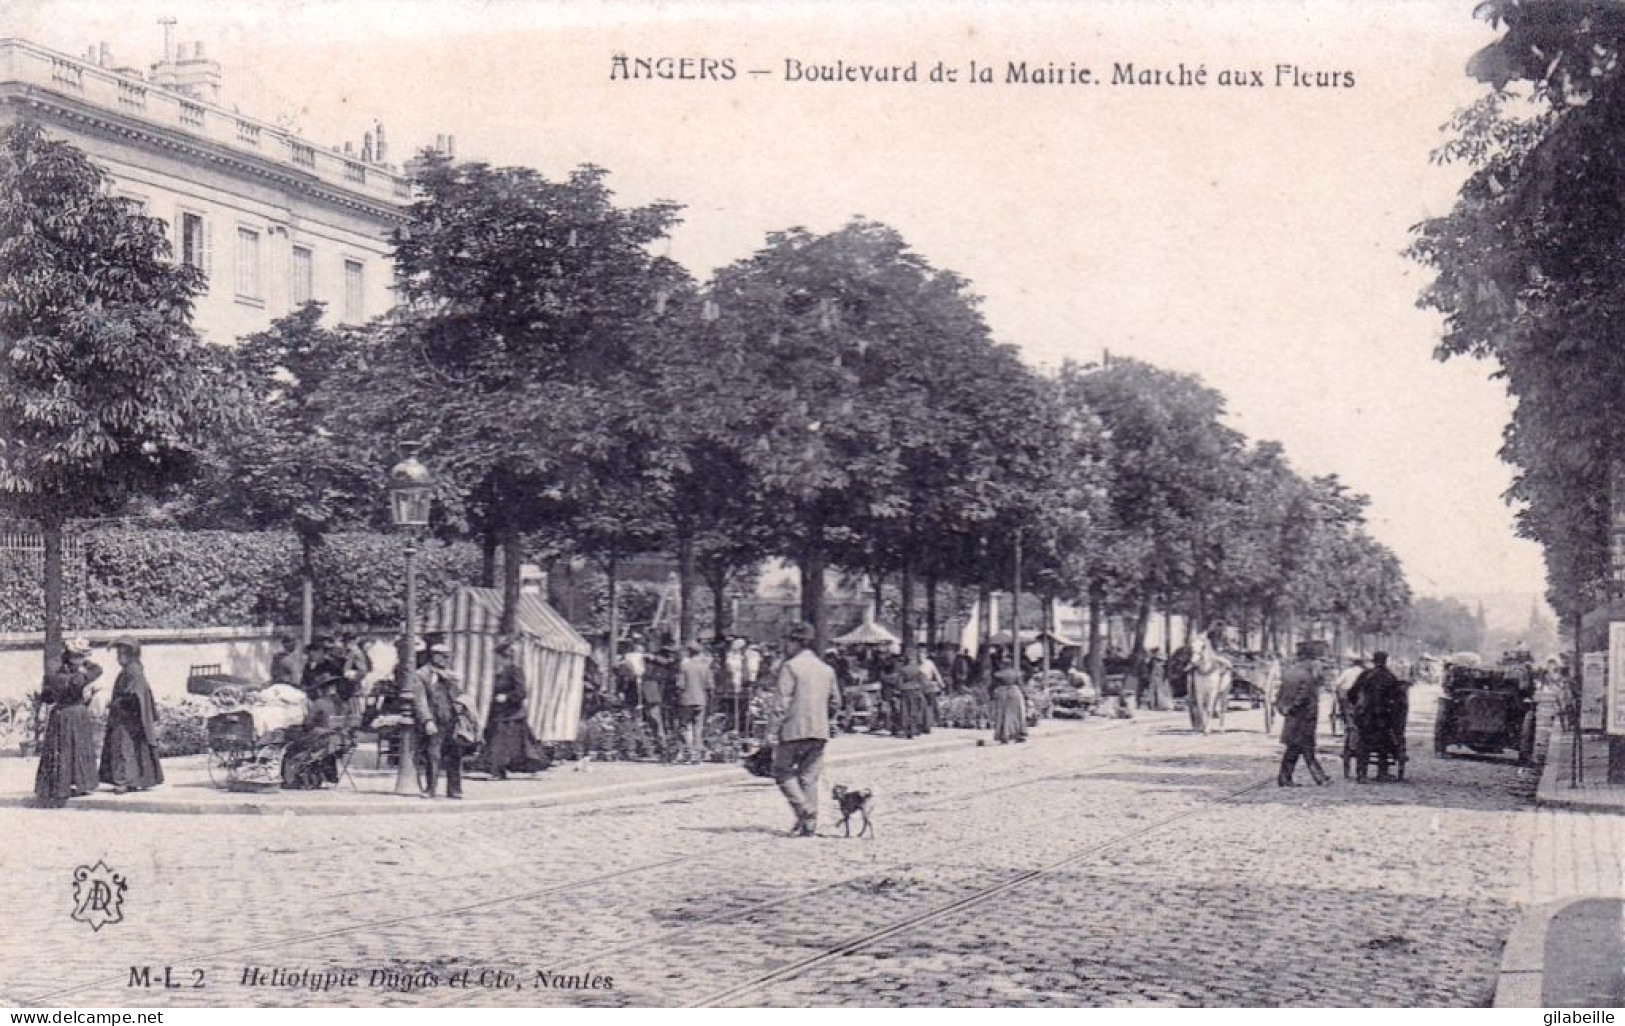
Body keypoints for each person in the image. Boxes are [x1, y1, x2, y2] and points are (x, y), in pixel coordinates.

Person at [767, 622, 837, 837]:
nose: (785, 646)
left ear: (795, 642)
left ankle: (804, 808)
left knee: (781, 771)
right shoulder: (826, 669)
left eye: (787, 642)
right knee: (809, 778)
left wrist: (771, 731)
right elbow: (835, 701)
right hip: (819, 730)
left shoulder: (790, 667)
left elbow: (781, 703)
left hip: (793, 729)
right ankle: (809, 826)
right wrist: (825, 719)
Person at [34, 638, 102, 806]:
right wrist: (81, 673)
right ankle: (59, 785)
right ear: (70, 656)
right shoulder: (60, 675)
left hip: (76, 713)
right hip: (65, 713)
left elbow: (98, 669)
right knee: (63, 748)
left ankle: (81, 783)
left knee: (79, 748)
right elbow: (51, 694)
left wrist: (82, 670)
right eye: (78, 656)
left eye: (82, 657)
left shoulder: (77, 670)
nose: (81, 660)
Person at [98, 637, 163, 794]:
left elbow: (134, 695)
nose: (118, 658)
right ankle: (134, 780)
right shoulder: (132, 669)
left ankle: (124, 781)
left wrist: (115, 703)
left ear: (130, 654)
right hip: (130, 716)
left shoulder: (133, 670)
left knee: (123, 747)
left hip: (127, 718)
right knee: (131, 747)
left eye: (121, 654)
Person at [411, 643, 466, 799]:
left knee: (455, 754)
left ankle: (454, 789)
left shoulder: (450, 675)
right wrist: (427, 720)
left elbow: (459, 694)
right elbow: (420, 700)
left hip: (452, 719)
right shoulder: (421, 675)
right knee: (433, 755)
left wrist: (461, 703)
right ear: (434, 656)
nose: (446, 660)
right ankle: (430, 789)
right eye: (443, 656)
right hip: (435, 720)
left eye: (448, 657)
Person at [484, 638, 543, 779]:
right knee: (501, 743)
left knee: (507, 744)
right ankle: (499, 770)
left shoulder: (515, 671)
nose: (495, 661)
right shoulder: (499, 673)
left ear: (504, 657)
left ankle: (500, 771)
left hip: (512, 715)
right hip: (499, 714)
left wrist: (507, 698)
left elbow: (521, 692)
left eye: (497, 658)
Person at [1275, 642, 1330, 787]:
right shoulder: (1307, 676)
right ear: (1309, 660)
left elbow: (1280, 694)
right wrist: (1293, 707)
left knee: (1295, 749)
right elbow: (1303, 697)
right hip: (1304, 718)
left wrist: (1283, 708)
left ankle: (1287, 777)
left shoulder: (1289, 673)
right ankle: (1319, 778)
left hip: (1292, 719)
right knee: (1305, 749)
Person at [1347, 651, 1407, 783]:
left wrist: (1357, 707)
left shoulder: (1365, 675)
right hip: (1383, 718)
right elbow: (1397, 700)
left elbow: (1351, 693)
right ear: (1385, 661)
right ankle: (1382, 773)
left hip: (1366, 717)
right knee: (1384, 744)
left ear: (1373, 661)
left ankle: (1361, 774)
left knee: (1363, 743)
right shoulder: (1390, 677)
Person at [281, 678, 346, 789]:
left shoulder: (319, 703)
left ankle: (292, 779)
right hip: (338, 743)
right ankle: (324, 776)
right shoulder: (342, 704)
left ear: (321, 690)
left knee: (290, 747)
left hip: (322, 742)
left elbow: (308, 723)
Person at [677, 641, 712, 757]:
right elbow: (710, 685)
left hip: (686, 699)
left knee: (685, 726)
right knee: (698, 727)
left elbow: (680, 684)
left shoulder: (685, 666)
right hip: (701, 699)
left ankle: (688, 750)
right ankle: (697, 751)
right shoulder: (705, 666)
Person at [991, 667, 1028, 743]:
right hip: (1014, 693)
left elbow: (994, 684)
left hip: (1001, 692)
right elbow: (1021, 684)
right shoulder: (1016, 676)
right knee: (1015, 715)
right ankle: (1014, 733)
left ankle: (1003, 734)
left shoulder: (999, 680)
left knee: (1001, 715)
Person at [918, 650, 944, 734]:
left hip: (928, 687)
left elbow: (936, 674)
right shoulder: (916, 664)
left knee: (929, 706)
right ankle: (922, 725)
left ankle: (927, 726)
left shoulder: (929, 663)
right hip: (919, 687)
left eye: (922, 655)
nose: (920, 657)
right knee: (921, 707)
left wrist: (941, 683)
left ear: (925, 655)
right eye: (919, 655)